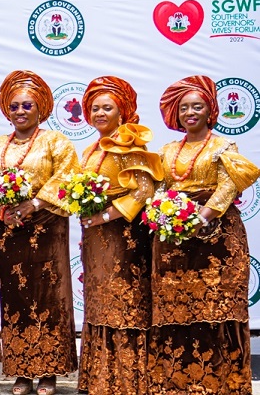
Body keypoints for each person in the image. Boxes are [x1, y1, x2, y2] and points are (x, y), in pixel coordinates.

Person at [148, 75, 259, 394]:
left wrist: (201, 216)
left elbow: (228, 186)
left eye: (197, 106)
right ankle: (175, 383)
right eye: (184, 107)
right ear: (176, 113)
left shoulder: (224, 146)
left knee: (216, 307)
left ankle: (221, 385)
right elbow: (159, 190)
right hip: (174, 242)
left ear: (211, 110)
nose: (190, 112)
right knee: (175, 308)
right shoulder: (167, 150)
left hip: (217, 239)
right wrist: (164, 214)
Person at [0, 70, 79, 395]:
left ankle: (48, 371)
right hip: (8, 231)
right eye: (14, 106)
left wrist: (33, 204)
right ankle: (21, 371)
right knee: (15, 298)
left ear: (40, 108)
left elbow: (67, 177)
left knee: (49, 297)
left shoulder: (56, 142)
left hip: (46, 228)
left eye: (27, 105)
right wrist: (1, 210)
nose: (20, 111)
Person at [74, 77, 164, 395]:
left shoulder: (129, 145)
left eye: (107, 108)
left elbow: (144, 190)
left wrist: (103, 216)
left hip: (124, 236)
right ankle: (101, 378)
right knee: (99, 302)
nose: (100, 113)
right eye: (95, 108)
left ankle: (128, 380)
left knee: (125, 300)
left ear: (122, 112)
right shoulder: (89, 150)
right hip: (96, 238)